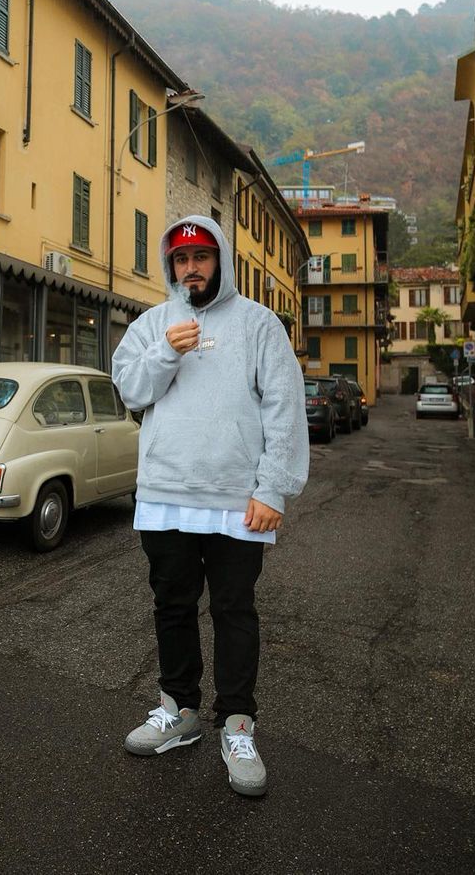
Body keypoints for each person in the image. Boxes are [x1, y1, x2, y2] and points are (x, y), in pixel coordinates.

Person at [112, 214, 308, 797]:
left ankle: (237, 724)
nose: (191, 268)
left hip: (236, 500)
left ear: (220, 259)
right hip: (165, 494)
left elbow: (283, 406)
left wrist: (272, 488)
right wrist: (164, 354)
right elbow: (131, 391)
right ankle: (178, 710)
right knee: (172, 606)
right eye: (181, 259)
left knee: (233, 610)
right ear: (170, 265)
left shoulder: (258, 324)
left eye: (201, 257)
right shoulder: (152, 324)